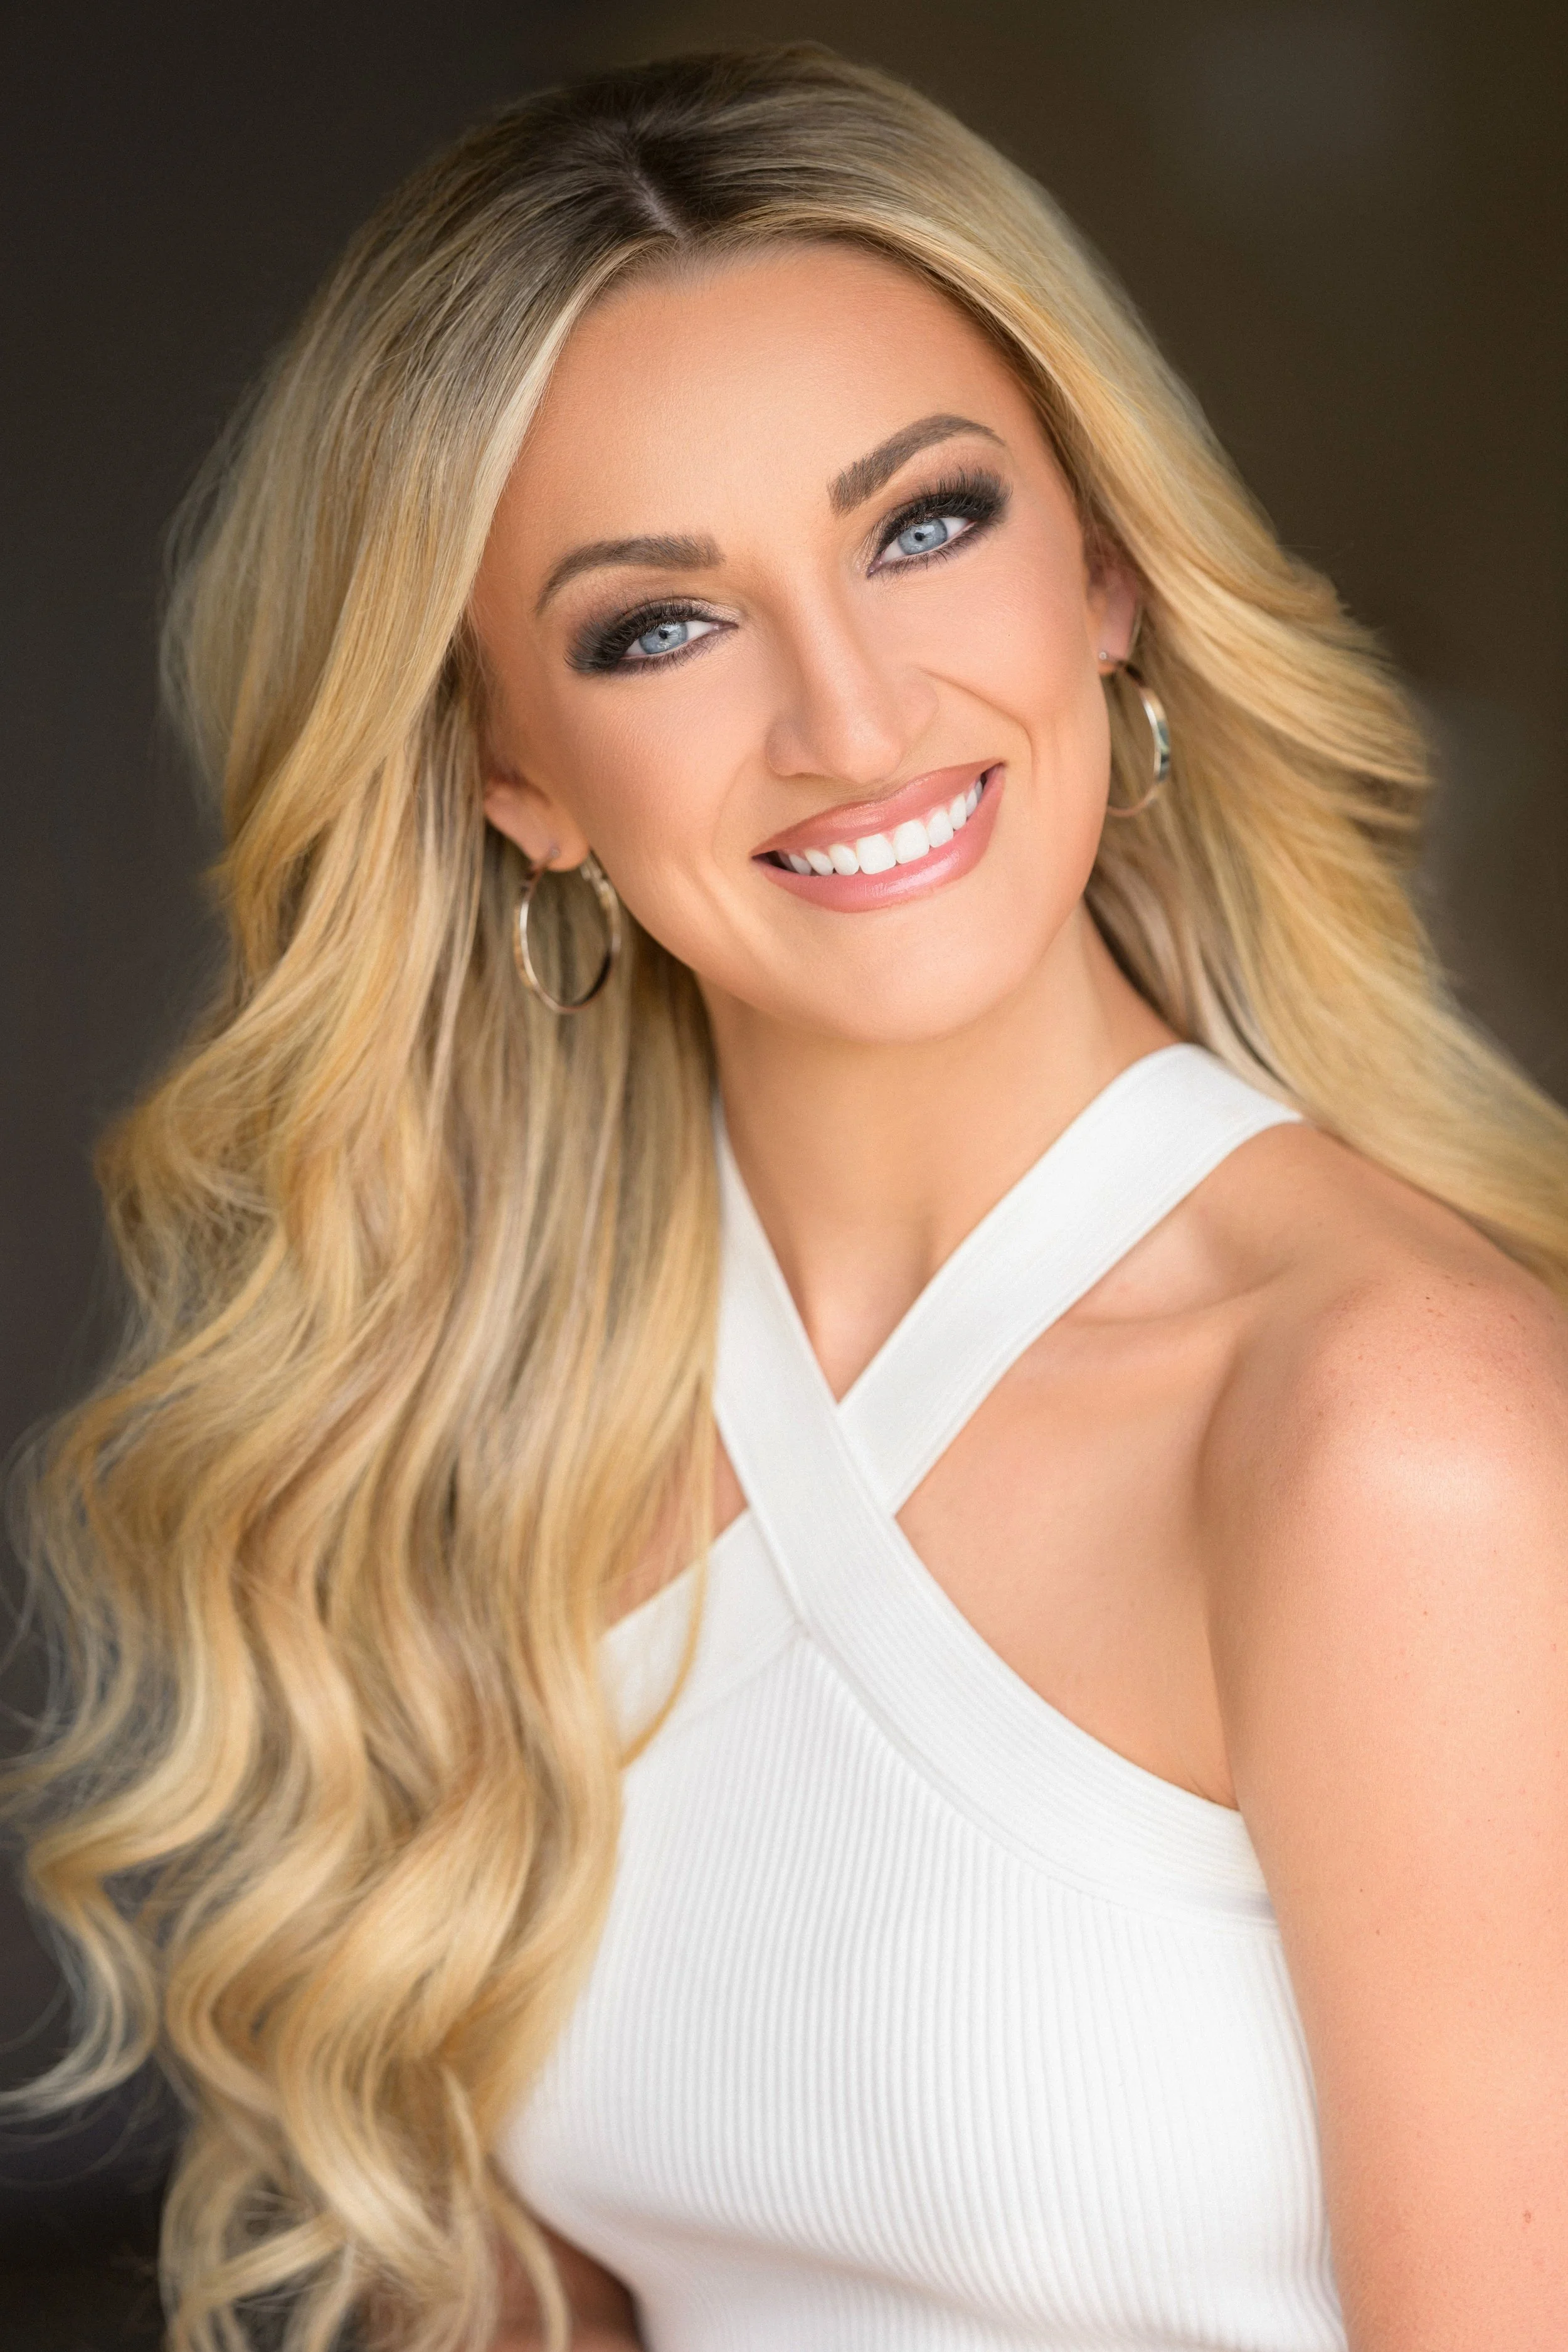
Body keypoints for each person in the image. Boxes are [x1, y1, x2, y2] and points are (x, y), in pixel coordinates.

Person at [8, 44, 1567, 2352]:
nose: (850, 717)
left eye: (922, 523)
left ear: (1107, 571)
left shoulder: (1383, 1435)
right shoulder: (527, 1407)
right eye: (659, 622)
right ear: (510, 773)